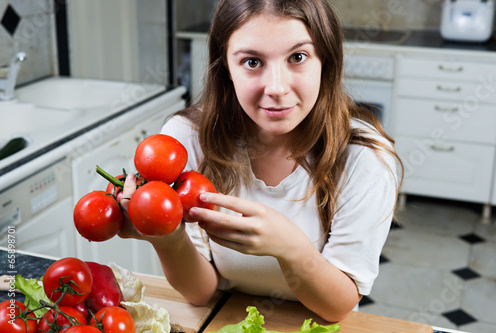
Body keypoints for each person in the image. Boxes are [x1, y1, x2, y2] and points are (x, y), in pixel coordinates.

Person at [119, 0, 403, 322]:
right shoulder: (185, 141)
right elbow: (201, 293)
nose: (277, 88)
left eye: (298, 57)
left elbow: (337, 307)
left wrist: (290, 247)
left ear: (326, 60)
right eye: (252, 62)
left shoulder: (364, 157)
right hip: (224, 320)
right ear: (225, 65)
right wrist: (168, 239)